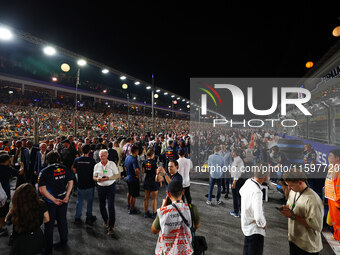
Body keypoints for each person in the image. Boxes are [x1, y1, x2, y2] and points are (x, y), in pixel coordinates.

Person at [279, 168, 323, 255]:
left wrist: (293, 216)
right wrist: (287, 208)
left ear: (300, 182)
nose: (289, 188)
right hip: (294, 240)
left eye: (291, 185)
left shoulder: (313, 200)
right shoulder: (294, 192)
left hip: (307, 246)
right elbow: (291, 204)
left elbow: (317, 226)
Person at [38, 151, 74, 254]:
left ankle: (48, 249)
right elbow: (71, 181)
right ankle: (64, 242)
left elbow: (42, 189)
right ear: (58, 158)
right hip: (63, 200)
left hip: (50, 202)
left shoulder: (44, 171)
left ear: (47, 159)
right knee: (62, 221)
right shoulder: (64, 168)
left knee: (49, 224)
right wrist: (67, 196)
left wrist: (54, 200)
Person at [151, 181, 200, 255]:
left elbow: (154, 230)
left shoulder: (163, 211)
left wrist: (162, 208)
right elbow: (197, 226)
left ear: (168, 193)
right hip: (186, 251)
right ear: (183, 192)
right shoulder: (192, 208)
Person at [6, 183, 50, 255]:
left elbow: (7, 221)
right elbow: (47, 219)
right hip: (37, 236)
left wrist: (11, 209)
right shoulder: (41, 204)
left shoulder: (16, 209)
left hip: (21, 239)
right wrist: (36, 223)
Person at [239, 166, 268, 255]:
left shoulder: (248, 182)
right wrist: (263, 224)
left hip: (246, 227)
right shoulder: (257, 192)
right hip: (255, 231)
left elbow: (241, 191)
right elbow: (258, 216)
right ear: (265, 176)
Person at [93, 149, 120, 236]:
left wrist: (108, 178)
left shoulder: (112, 164)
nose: (102, 157)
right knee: (101, 205)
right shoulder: (97, 165)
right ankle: (106, 220)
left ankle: (111, 226)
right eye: (101, 156)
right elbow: (94, 176)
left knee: (110, 206)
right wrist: (97, 179)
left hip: (110, 187)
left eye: (104, 156)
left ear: (107, 156)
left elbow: (117, 175)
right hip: (100, 187)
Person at [0, 151, 24, 237]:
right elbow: (20, 172)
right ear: (7, 160)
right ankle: (1, 227)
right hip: (4, 193)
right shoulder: (7, 169)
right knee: (3, 210)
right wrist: (22, 165)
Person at [73, 144, 97, 225]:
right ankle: (89, 217)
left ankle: (77, 217)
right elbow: (95, 172)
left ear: (81, 150)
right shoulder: (92, 161)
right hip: (90, 184)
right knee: (89, 201)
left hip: (80, 183)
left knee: (79, 201)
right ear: (89, 151)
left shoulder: (77, 160)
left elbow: (74, 170)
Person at [325, 149, 340, 241]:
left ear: (337, 158)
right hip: (331, 196)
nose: (329, 157)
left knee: (338, 220)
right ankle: (336, 235)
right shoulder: (332, 166)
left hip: (336, 199)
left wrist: (338, 200)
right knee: (334, 219)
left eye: (331, 156)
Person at [142, 148, 159, 219]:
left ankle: (146, 212)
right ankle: (154, 213)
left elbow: (143, 171)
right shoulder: (154, 162)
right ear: (152, 154)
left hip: (147, 180)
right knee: (154, 199)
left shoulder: (144, 161)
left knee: (146, 198)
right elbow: (156, 172)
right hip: (153, 181)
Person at [124, 145, 141, 214]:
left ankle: (129, 205)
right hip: (133, 179)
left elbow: (125, 167)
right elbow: (136, 170)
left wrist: (128, 173)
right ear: (136, 151)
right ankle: (132, 209)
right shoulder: (134, 159)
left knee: (129, 192)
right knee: (133, 195)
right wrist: (138, 176)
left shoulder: (127, 157)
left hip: (128, 177)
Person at [230, 149, 245, 217]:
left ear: (235, 153)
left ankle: (236, 212)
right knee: (239, 197)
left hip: (236, 180)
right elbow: (242, 170)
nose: (231, 152)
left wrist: (234, 182)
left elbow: (236, 172)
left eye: (232, 151)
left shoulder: (236, 160)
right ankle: (241, 211)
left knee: (235, 197)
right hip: (240, 179)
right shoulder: (240, 160)